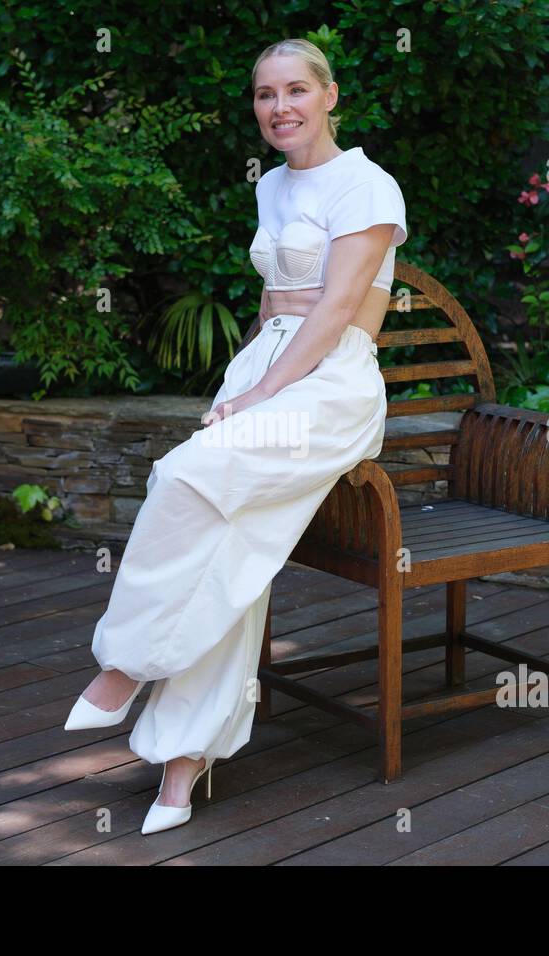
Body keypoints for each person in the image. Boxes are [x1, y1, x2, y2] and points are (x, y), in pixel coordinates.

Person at [64, 37, 408, 835]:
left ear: (330, 97)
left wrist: (262, 392)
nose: (279, 107)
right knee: (228, 557)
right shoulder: (275, 186)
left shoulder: (368, 185)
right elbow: (274, 304)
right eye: (264, 95)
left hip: (329, 389)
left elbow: (332, 311)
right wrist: (240, 380)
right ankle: (181, 770)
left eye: (295, 90)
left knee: (180, 480)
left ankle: (121, 666)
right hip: (270, 371)